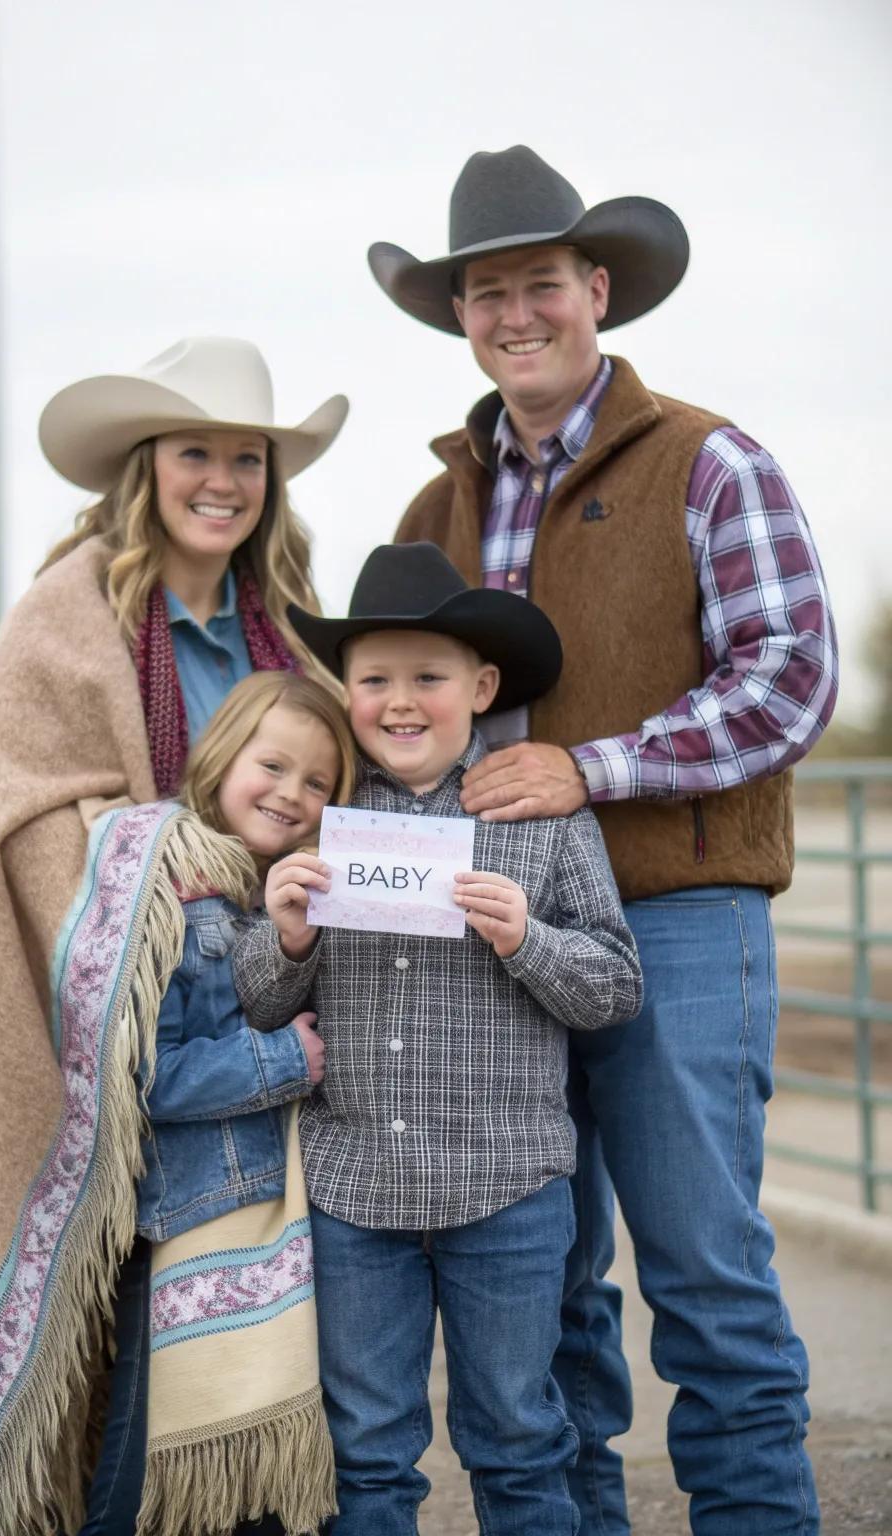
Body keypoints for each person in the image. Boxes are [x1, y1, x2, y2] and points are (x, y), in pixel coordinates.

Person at [369, 145, 838, 1534]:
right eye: (485, 293)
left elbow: (790, 679)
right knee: (545, 1299)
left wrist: (591, 768)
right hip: (495, 950)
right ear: (461, 316)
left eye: (540, 286)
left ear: (599, 290)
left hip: (680, 922)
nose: (515, 314)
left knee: (704, 1280)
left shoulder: (711, 462)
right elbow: (387, 717)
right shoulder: (433, 509)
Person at [0, 336, 348, 1536]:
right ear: (145, 465)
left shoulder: (287, 623)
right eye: (195, 454)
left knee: (260, 1364)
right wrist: (162, 857)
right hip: (139, 1023)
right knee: (137, 1357)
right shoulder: (71, 613)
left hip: (269, 987)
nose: (221, 480)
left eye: (247, 460)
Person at [232, 541, 643, 1535]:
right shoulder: (322, 820)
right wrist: (284, 937)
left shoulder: (540, 826)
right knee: (366, 1450)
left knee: (515, 1438)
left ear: (481, 685)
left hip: (507, 1190)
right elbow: (253, 998)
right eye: (375, 679)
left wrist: (527, 939)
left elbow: (618, 988)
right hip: (354, 1190)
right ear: (347, 689)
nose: (401, 701)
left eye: (430, 677)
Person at [131, 670, 356, 1536]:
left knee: (284, 1478)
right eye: (273, 765)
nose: (291, 794)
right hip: (210, 1214)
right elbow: (148, 1077)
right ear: (222, 754)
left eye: (317, 783)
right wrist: (280, 1060)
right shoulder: (179, 898)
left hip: (296, 1212)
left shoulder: (304, 891)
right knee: (203, 1480)